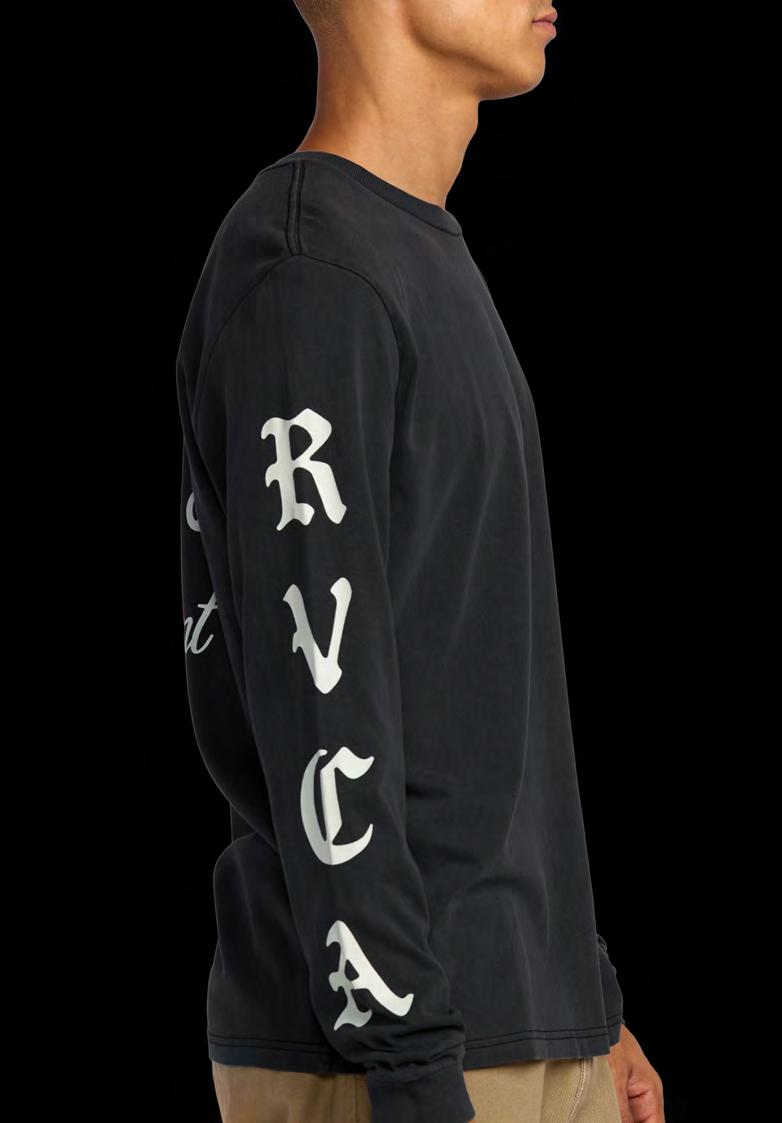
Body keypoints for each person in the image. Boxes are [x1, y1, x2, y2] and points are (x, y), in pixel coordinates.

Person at [175, 2, 666, 1121]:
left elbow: (482, 697)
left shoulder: (411, 251)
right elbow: (319, 715)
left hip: (511, 1033)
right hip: (395, 1060)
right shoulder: (308, 272)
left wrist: (581, 1002)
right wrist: (412, 1070)